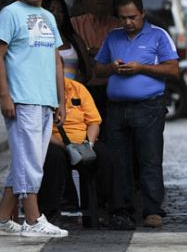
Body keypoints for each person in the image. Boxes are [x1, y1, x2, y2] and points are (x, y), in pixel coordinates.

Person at [94, 0, 179, 228]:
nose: (128, 22)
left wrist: (141, 68)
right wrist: (111, 67)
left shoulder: (159, 35)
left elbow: (173, 70)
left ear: (143, 14)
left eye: (132, 17)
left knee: (149, 158)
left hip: (149, 106)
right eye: (122, 18)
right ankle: (122, 210)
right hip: (117, 108)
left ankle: (153, 209)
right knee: (118, 160)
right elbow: (97, 70)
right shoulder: (113, 37)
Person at [0, 0, 67, 237]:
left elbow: (56, 61)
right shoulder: (10, 13)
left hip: (45, 99)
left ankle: (4, 218)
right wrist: (4, 94)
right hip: (21, 97)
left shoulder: (48, 18)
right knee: (29, 161)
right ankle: (32, 219)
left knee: (29, 162)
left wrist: (60, 101)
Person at [37, 71, 124, 228]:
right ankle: (49, 211)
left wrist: (87, 145)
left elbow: (94, 122)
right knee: (53, 158)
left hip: (84, 141)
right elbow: (40, 129)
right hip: (56, 142)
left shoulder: (78, 88)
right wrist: (67, 147)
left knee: (109, 157)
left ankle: (117, 211)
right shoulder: (40, 92)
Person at [43, 0, 91, 82]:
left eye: (60, 11)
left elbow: (87, 73)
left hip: (72, 93)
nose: (56, 14)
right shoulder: (35, 41)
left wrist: (74, 84)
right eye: (51, 10)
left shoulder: (75, 40)